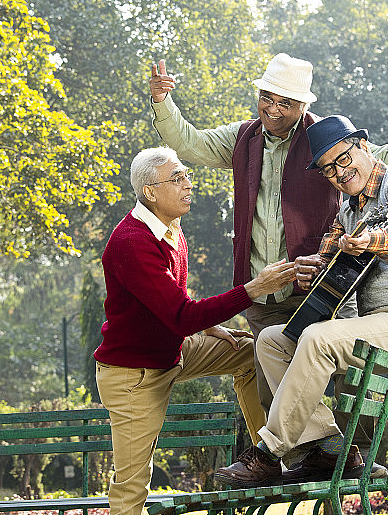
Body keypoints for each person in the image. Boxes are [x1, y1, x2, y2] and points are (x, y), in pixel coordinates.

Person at [149, 53, 388, 422]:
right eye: (266, 98)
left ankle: (356, 453)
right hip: (265, 291)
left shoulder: (321, 139)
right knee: (275, 388)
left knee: (348, 382)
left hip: (322, 286)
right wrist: (162, 100)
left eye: (284, 103)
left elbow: (372, 158)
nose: (272, 109)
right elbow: (190, 143)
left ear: (303, 106)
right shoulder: (242, 137)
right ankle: (299, 455)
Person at [213, 115, 388, 487]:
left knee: (318, 338)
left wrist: (370, 241)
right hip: (377, 331)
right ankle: (327, 448)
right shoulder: (347, 213)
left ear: (363, 146)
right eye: (328, 169)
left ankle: (267, 453)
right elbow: (328, 265)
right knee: (272, 341)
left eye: (343, 159)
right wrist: (309, 272)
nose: (339, 173)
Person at [94, 147, 296, 515]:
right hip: (134, 375)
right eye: (177, 178)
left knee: (251, 350)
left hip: (174, 350)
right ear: (150, 192)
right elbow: (182, 315)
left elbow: (171, 299)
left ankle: (266, 457)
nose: (188, 184)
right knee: (132, 485)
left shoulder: (170, 227)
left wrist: (210, 324)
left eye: (187, 175)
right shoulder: (132, 242)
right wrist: (253, 289)